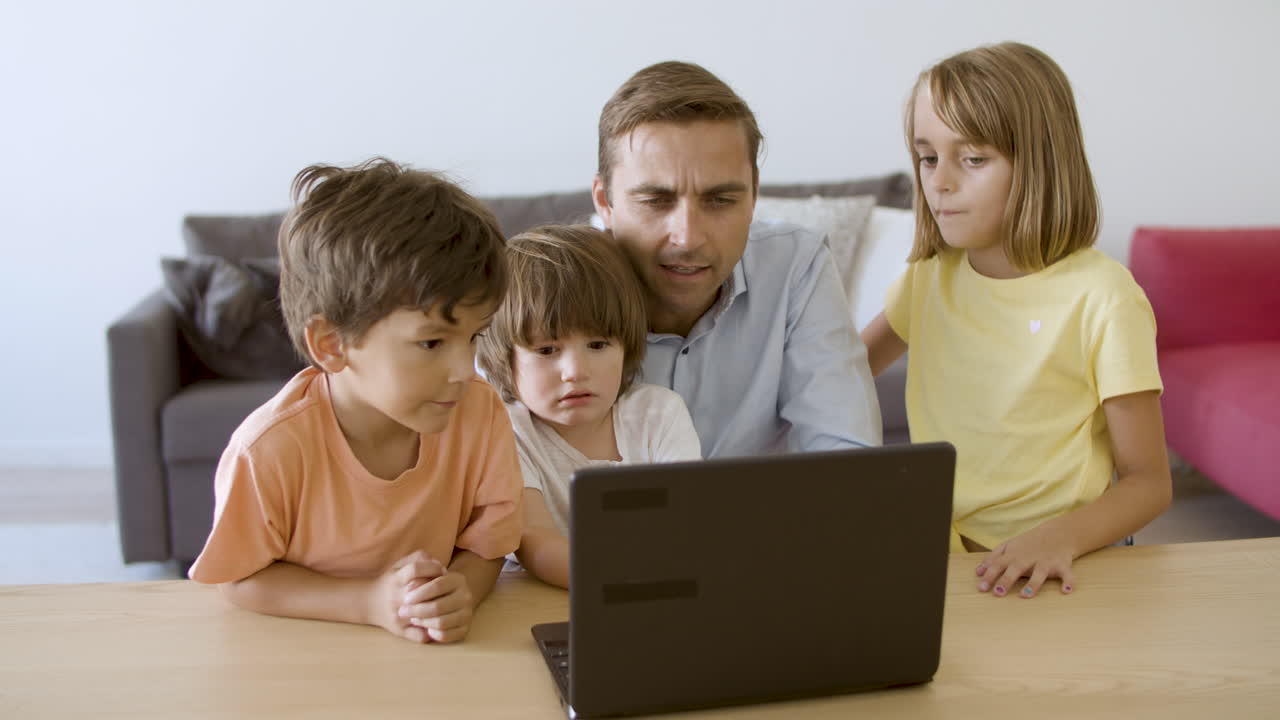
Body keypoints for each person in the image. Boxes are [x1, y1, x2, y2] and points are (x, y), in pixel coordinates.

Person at [861, 42, 1172, 598]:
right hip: (946, 556)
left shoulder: (1105, 298)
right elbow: (842, 373)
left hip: (1066, 563)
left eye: (972, 159)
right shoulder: (928, 279)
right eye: (928, 158)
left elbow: (1149, 483)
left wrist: (1060, 539)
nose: (939, 182)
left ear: (1040, 164)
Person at [187, 158, 523, 643]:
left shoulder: (480, 413)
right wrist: (369, 603)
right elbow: (239, 579)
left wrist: (460, 592)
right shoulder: (267, 450)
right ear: (331, 344)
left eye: (475, 336)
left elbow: (488, 543)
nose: (465, 371)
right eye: (432, 342)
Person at [590, 61, 882, 457]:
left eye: (720, 200)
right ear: (605, 201)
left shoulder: (796, 265)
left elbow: (846, 454)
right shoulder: (551, 287)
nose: (688, 238)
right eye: (656, 201)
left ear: (754, 193)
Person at [476, 224, 701, 589]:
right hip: (541, 599)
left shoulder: (659, 414)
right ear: (504, 360)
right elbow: (534, 539)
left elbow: (686, 522)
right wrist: (619, 578)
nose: (575, 372)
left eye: (597, 345)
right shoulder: (507, 429)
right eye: (547, 350)